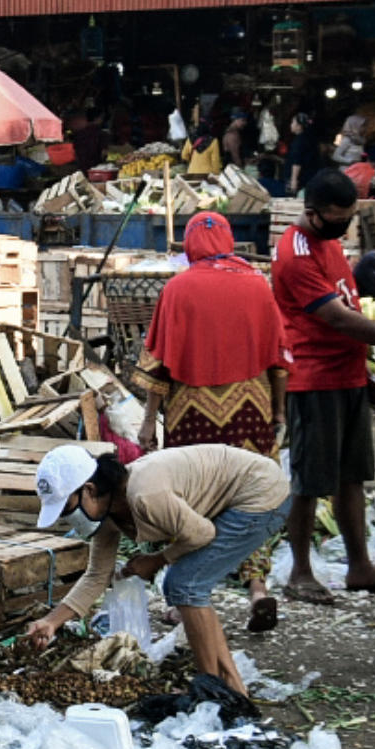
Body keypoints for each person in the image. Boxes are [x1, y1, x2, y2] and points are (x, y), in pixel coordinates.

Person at [27, 443, 292, 702]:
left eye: (66, 509)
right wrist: (52, 622)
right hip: (240, 497)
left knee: (184, 585)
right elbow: (97, 575)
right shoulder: (107, 513)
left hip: (260, 494)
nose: (66, 518)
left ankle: (210, 689)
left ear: (89, 490)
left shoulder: (145, 496)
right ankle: (230, 686)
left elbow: (202, 534)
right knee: (189, 586)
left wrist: (157, 560)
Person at [135, 213, 291, 629]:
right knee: (251, 494)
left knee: (191, 498)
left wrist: (149, 422)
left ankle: (183, 601)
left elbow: (158, 365)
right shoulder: (257, 283)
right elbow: (279, 357)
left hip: (192, 411)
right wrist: (277, 410)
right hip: (249, 406)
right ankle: (257, 586)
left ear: (189, 246)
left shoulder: (177, 288)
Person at [271, 169, 375, 601]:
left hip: (348, 372)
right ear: (312, 213)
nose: (345, 225)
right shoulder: (295, 252)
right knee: (309, 481)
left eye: (350, 216)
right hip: (314, 378)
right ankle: (300, 572)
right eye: (338, 217)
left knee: (353, 477)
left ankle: (359, 565)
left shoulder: (329, 242)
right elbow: (333, 315)